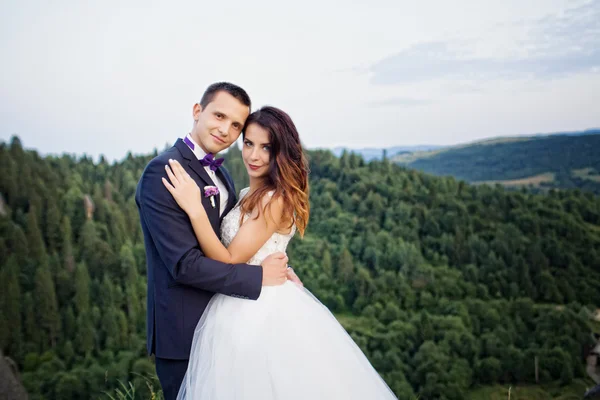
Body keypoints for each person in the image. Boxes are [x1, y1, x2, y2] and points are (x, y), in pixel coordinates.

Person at [163, 106, 398, 399]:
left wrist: (195, 208)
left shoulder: (274, 199)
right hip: (239, 296)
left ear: (281, 153)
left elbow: (229, 259)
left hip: (258, 307)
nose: (253, 155)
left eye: (266, 148)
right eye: (248, 143)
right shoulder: (250, 194)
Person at [135, 82, 300, 400]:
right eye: (219, 116)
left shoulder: (222, 176)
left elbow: (239, 240)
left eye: (236, 125)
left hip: (234, 324)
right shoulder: (164, 172)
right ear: (198, 111)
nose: (226, 130)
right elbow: (184, 265)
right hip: (185, 333)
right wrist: (259, 276)